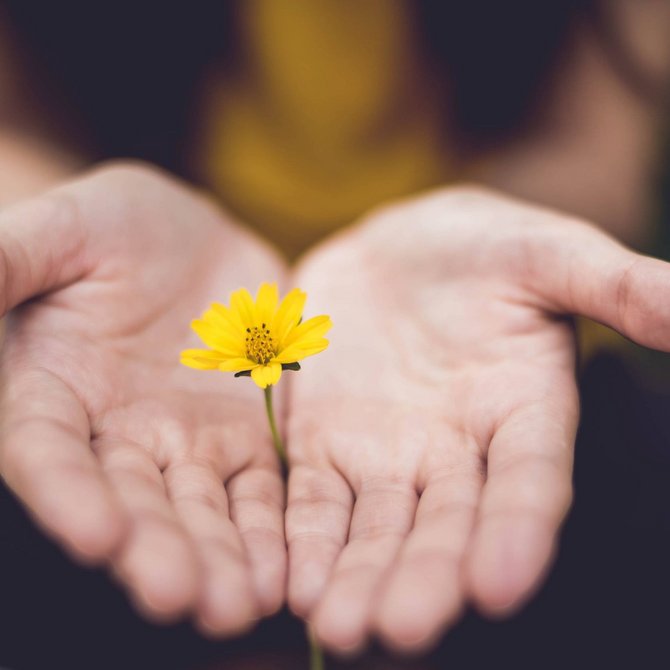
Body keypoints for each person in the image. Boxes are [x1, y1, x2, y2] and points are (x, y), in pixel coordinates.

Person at [0, 0, 669, 657]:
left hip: (471, 341)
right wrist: (44, 223)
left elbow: (594, 140)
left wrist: (519, 236)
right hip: (135, 331)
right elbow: (15, 123)